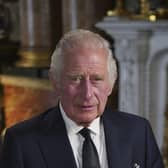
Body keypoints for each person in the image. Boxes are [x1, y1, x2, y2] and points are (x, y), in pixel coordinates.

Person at [0, 29, 164, 168]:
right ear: (55, 81)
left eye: (97, 79)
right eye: (75, 79)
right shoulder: (21, 141)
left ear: (111, 83)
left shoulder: (138, 131)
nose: (87, 94)